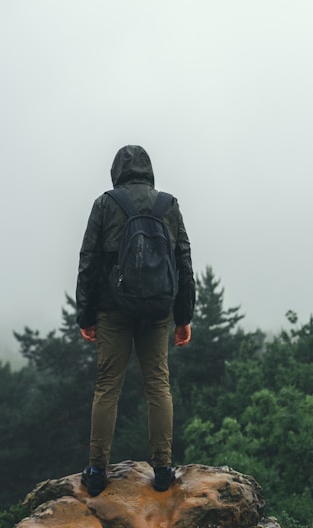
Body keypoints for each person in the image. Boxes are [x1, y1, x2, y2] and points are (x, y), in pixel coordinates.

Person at [75, 145, 196, 496]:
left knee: (107, 387)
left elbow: (88, 259)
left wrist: (86, 313)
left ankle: (97, 470)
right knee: (158, 385)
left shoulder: (104, 204)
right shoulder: (168, 205)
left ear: (117, 171)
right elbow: (184, 260)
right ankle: (162, 469)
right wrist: (183, 316)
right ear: (149, 171)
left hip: (112, 309)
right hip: (158, 310)